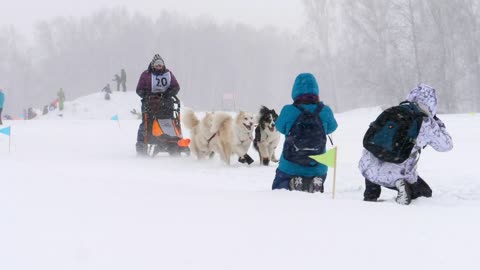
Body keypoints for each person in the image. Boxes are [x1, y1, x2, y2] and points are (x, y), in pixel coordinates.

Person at [359, 84, 453, 205]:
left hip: (367, 168)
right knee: (425, 193)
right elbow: (446, 145)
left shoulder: (392, 111)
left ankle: (370, 196)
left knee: (378, 155)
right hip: (395, 173)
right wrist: (438, 122)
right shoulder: (426, 122)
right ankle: (401, 184)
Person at [272, 73, 338, 192]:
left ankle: (294, 182)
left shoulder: (288, 110)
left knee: (279, 194)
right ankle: (315, 182)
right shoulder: (325, 110)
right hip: (318, 166)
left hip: (290, 166)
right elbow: (332, 127)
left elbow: (280, 127)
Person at [135, 54, 180, 155]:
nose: (159, 67)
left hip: (166, 102)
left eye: (160, 65)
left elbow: (176, 87)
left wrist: (168, 94)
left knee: (169, 122)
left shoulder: (168, 73)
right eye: (157, 65)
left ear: (163, 65)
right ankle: (141, 145)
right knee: (146, 124)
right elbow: (139, 90)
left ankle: (172, 142)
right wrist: (147, 95)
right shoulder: (146, 74)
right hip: (149, 103)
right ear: (152, 65)